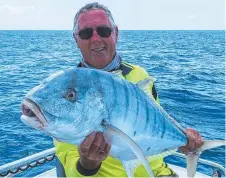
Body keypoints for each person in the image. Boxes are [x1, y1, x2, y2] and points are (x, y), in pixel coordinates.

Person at [54, 2, 204, 177]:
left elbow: (154, 124)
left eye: (103, 31)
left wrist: (182, 137)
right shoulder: (67, 90)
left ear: (115, 34)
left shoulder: (139, 74)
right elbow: (71, 166)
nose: (95, 39)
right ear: (76, 39)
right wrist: (87, 164)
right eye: (86, 33)